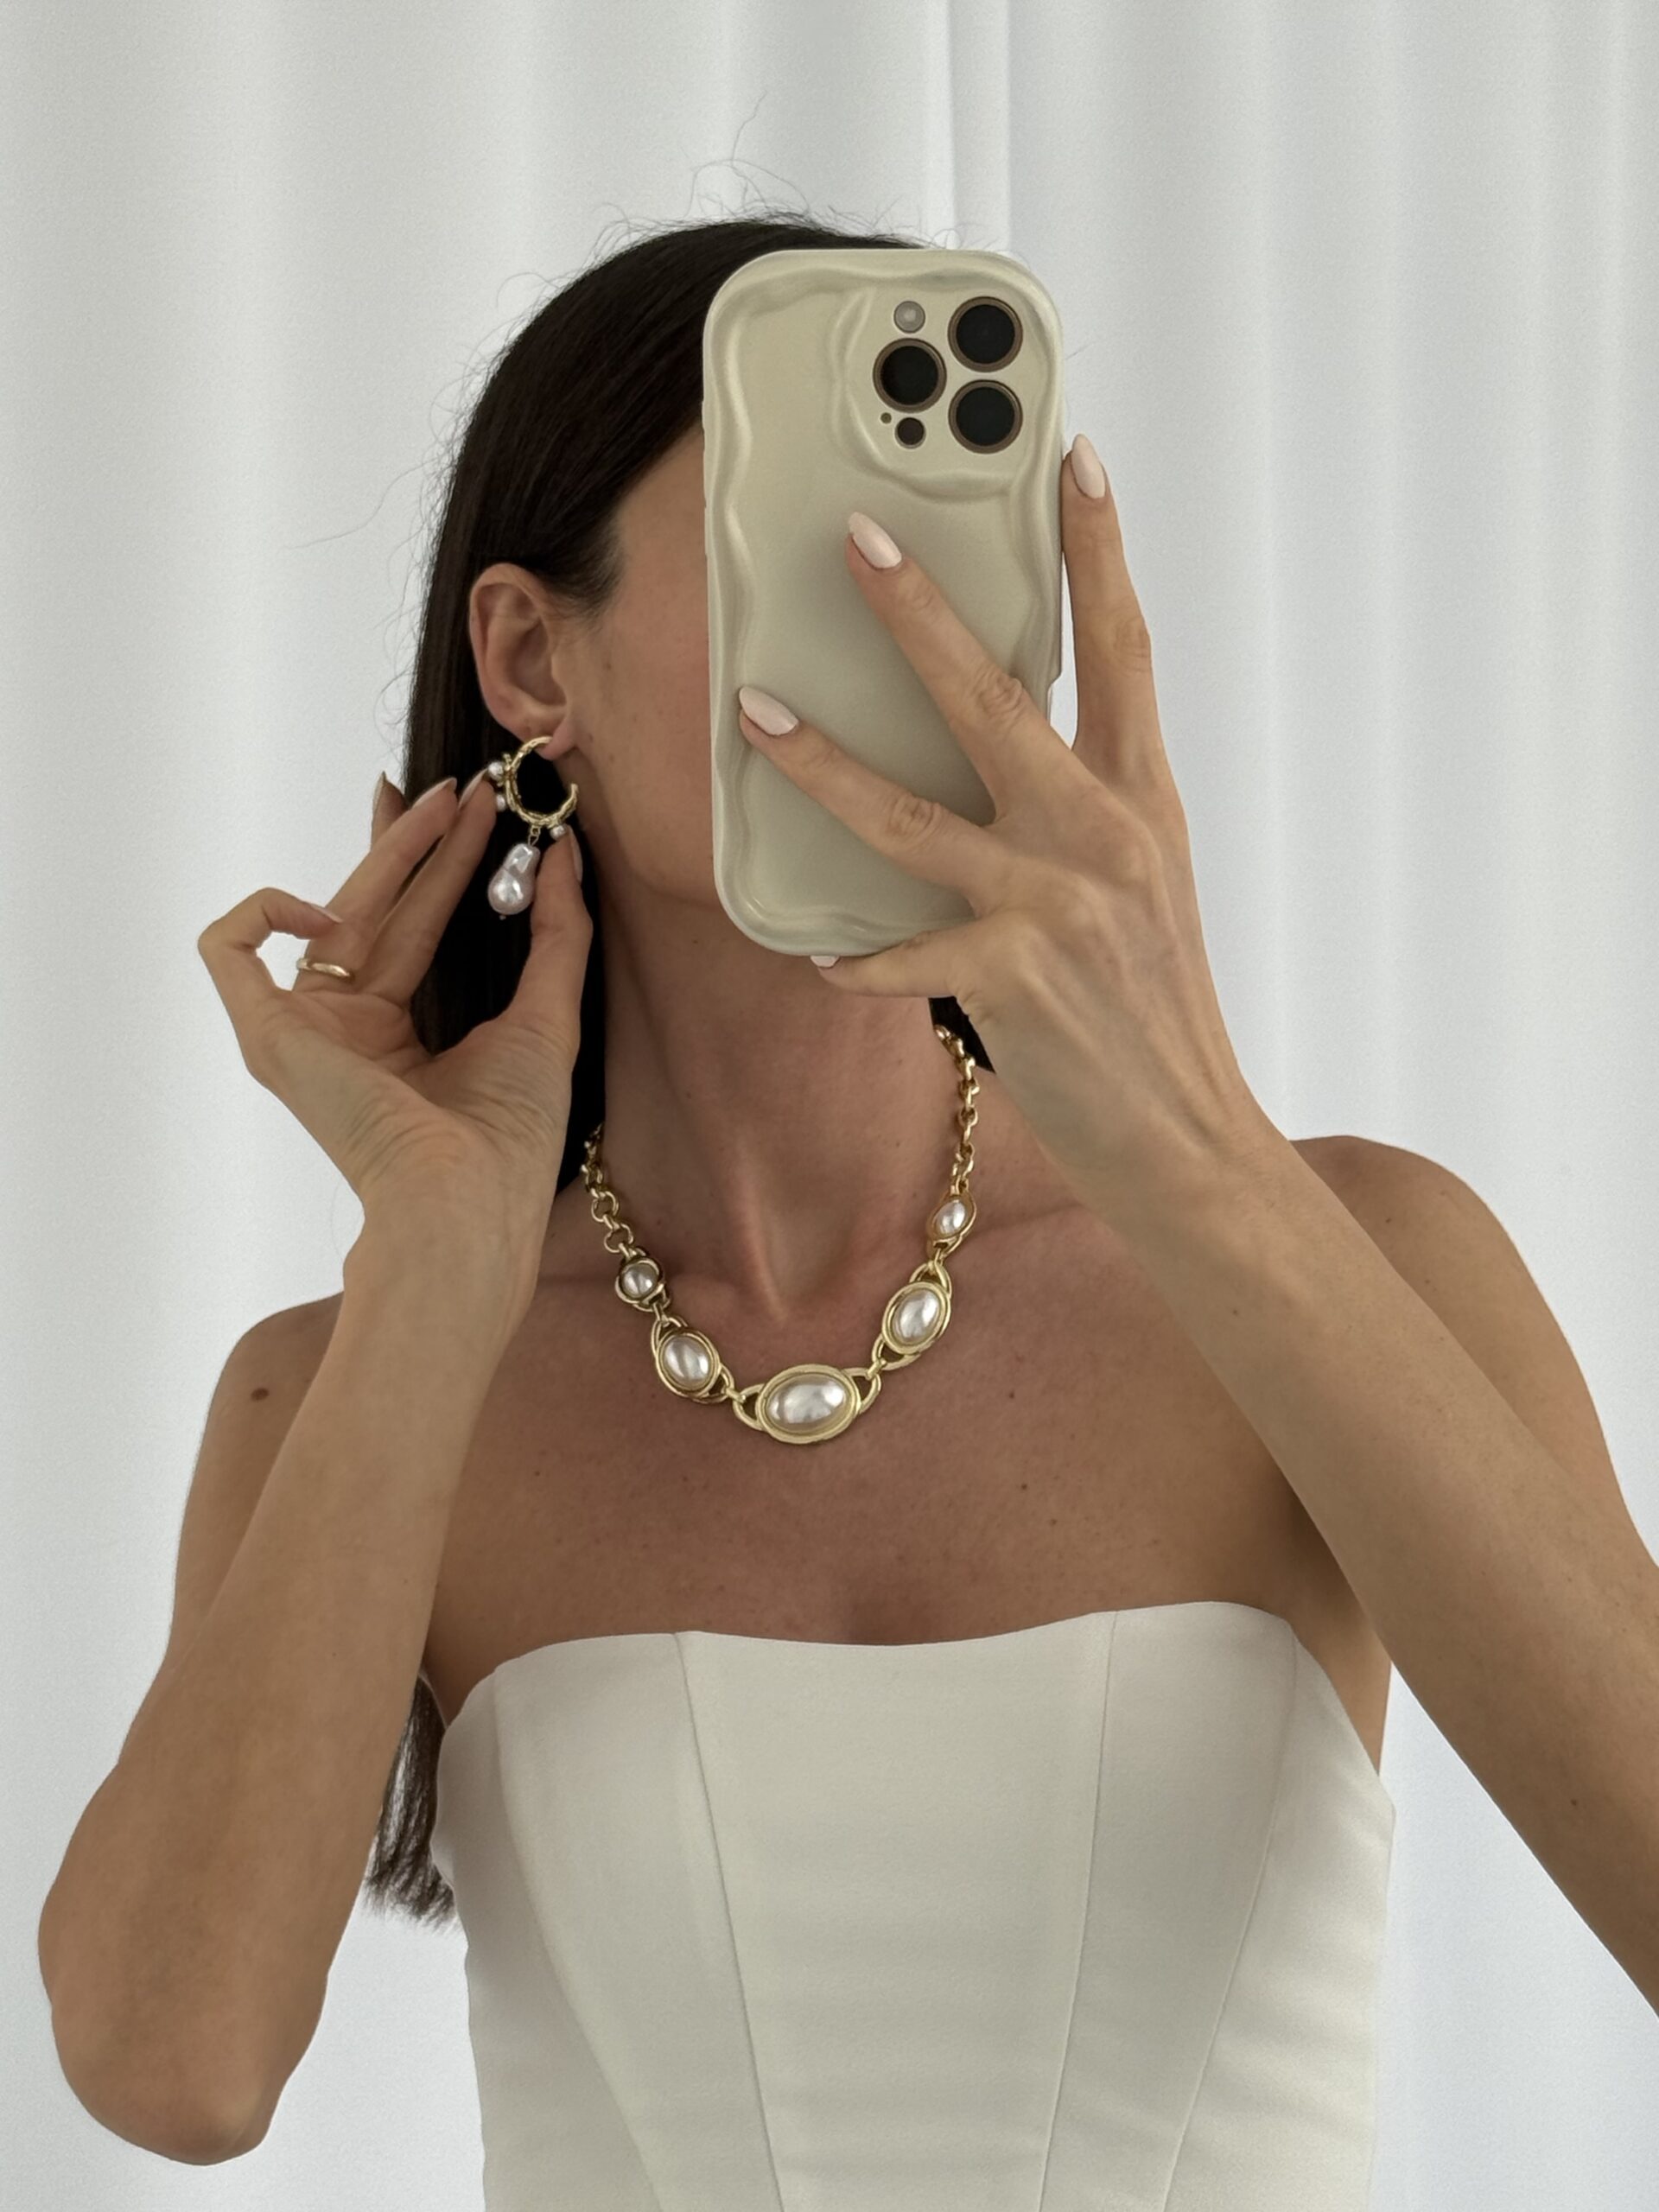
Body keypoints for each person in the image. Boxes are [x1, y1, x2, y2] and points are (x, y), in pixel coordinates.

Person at [36, 210, 1394, 2202]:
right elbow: (175, 2067)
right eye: (813, 529)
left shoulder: (1356, 1257)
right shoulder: (343, 1386)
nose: (907, 613)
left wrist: (1190, 1136)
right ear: (533, 657)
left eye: (954, 539)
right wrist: (434, 1262)